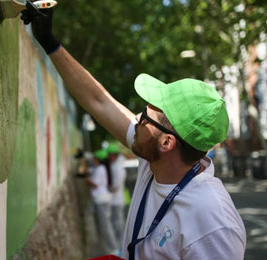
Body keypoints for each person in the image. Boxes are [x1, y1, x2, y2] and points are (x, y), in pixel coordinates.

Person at [21, 2, 246, 260]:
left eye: (146, 119)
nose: (137, 119)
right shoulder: (154, 160)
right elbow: (99, 101)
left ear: (167, 143)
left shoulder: (213, 224)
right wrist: (49, 42)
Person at [86, 149, 119, 256]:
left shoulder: (100, 169)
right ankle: (109, 250)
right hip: (102, 200)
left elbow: (95, 185)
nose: (93, 159)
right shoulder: (101, 168)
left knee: (105, 227)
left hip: (101, 201)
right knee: (104, 226)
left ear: (98, 159)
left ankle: (113, 250)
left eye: (94, 158)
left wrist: (87, 180)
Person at [107, 144, 127, 246]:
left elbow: (116, 187)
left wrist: (107, 190)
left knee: (118, 223)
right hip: (115, 199)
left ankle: (121, 246)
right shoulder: (114, 166)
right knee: (116, 223)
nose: (108, 157)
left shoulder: (118, 168)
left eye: (110, 155)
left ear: (115, 155)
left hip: (117, 200)